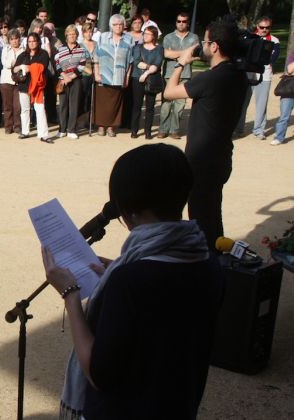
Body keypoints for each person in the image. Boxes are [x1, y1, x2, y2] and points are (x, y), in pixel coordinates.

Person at [45, 142, 222, 419]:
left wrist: (70, 294)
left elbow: (99, 373)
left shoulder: (130, 283)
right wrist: (118, 270)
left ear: (127, 210)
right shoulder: (207, 261)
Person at [163, 16, 248, 249]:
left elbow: (169, 93)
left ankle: (208, 266)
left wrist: (182, 62)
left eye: (206, 41)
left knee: (200, 219)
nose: (203, 45)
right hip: (221, 156)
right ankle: (216, 259)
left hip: (201, 159)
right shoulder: (239, 75)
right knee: (211, 215)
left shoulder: (210, 78)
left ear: (215, 47)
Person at [236, 16, 280, 140]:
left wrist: (256, 60)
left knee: (261, 104)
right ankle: (238, 129)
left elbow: (273, 59)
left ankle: (259, 130)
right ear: (257, 27)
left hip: (264, 76)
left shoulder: (275, 41)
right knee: (242, 103)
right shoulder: (248, 38)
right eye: (262, 27)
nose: (264, 30)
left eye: (267, 27)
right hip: (247, 75)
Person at [157, 12, 198, 139]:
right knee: (166, 103)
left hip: (185, 74)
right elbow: (166, 54)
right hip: (169, 73)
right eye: (179, 21)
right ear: (176, 22)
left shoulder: (194, 38)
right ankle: (163, 129)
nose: (181, 23)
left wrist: (177, 54)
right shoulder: (168, 37)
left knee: (180, 104)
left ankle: (174, 130)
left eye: (184, 21)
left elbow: (193, 56)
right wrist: (185, 53)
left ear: (188, 22)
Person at [93, 14, 132, 137]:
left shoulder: (128, 39)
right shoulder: (103, 37)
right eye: (115, 24)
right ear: (111, 26)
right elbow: (96, 56)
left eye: (121, 24)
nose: (118, 27)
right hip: (104, 74)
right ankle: (101, 126)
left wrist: (127, 77)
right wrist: (96, 72)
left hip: (119, 75)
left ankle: (111, 127)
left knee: (115, 103)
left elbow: (130, 60)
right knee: (102, 102)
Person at [14, 33, 49, 142]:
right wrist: (21, 66)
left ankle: (43, 134)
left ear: (38, 42)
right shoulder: (23, 55)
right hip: (24, 85)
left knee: (40, 109)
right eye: (29, 41)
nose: (32, 43)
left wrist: (28, 68)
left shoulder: (43, 54)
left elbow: (43, 67)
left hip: (37, 86)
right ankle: (25, 132)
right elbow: (14, 69)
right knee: (24, 109)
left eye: (34, 41)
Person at [130, 26, 163, 139]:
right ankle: (134, 130)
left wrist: (145, 73)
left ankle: (148, 131)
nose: (146, 36)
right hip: (137, 79)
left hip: (151, 80)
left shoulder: (159, 48)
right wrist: (150, 67)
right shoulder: (138, 47)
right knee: (137, 105)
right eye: (145, 33)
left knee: (150, 106)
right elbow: (137, 62)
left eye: (149, 34)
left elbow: (157, 64)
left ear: (154, 36)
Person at [54, 25, 87, 139]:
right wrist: (64, 76)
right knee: (63, 105)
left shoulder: (81, 49)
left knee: (74, 105)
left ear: (77, 35)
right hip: (62, 80)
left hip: (75, 80)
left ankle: (71, 129)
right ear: (66, 35)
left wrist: (70, 77)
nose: (72, 36)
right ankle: (62, 129)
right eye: (70, 34)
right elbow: (57, 64)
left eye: (74, 34)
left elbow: (82, 66)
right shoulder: (60, 49)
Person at [271, 53, 294, 146]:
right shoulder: (293, 56)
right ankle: (279, 137)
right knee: (284, 116)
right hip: (289, 90)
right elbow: (290, 70)